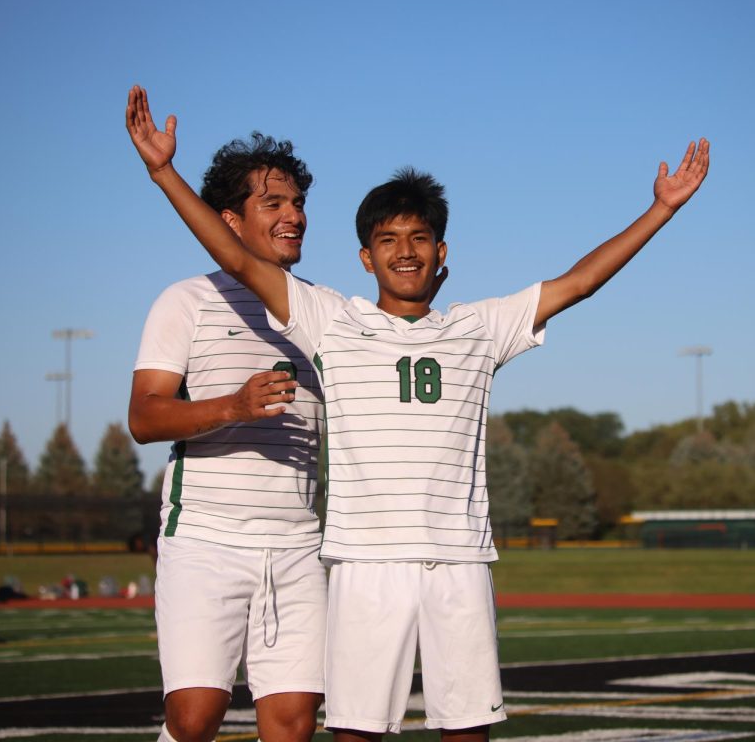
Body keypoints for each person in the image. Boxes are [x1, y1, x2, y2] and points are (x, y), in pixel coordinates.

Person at [127, 84, 709, 741]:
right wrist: (162, 172)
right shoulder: (331, 321)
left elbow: (578, 282)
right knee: (349, 730)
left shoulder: (478, 327)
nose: (405, 251)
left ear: (442, 253)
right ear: (365, 257)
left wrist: (658, 211)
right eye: (388, 240)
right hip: (359, 563)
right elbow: (234, 258)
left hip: (455, 561)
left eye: (420, 238)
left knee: (460, 729)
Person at [127, 86, 348, 742]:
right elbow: (144, 417)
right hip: (205, 539)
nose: (295, 216)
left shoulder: (325, 311)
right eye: (273, 202)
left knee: (292, 724)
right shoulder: (185, 301)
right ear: (228, 219)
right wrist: (231, 406)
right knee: (194, 721)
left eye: (299, 203)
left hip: (297, 545)